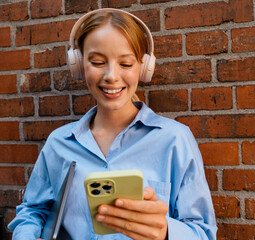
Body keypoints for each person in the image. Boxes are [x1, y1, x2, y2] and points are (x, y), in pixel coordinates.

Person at [8, 8, 217, 240]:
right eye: (97, 62)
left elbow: (203, 232)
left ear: (144, 68)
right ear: (77, 64)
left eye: (126, 64)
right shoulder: (58, 143)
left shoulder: (175, 140)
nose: (111, 76)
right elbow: (33, 211)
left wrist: (165, 232)